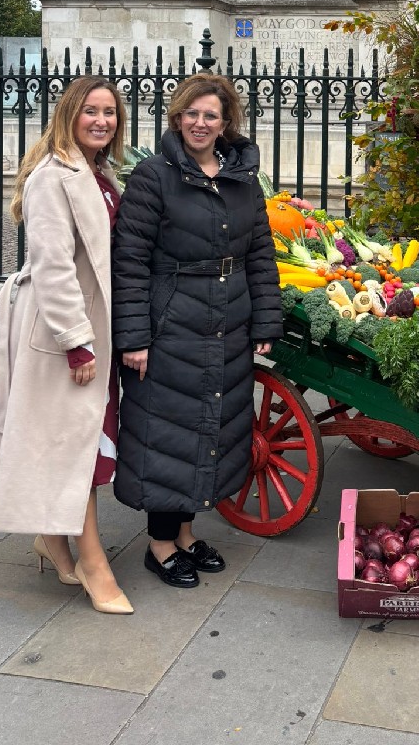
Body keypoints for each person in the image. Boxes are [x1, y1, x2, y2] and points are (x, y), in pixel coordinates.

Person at [0, 76, 134, 615]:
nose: (102, 121)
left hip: (93, 324)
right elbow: (53, 264)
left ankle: (53, 540)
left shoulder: (99, 171)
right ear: (69, 114)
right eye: (91, 111)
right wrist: (76, 343)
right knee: (75, 445)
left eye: (109, 112)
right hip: (64, 330)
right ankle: (93, 563)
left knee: (78, 439)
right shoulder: (52, 176)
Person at [112, 73, 283, 589]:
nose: (200, 123)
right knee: (167, 430)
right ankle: (160, 544)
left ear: (226, 122)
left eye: (211, 115)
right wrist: (134, 337)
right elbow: (130, 260)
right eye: (192, 113)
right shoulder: (153, 176)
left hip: (228, 321)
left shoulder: (241, 178)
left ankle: (185, 534)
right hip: (171, 323)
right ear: (177, 117)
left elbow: (260, 253)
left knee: (210, 426)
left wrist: (265, 319)